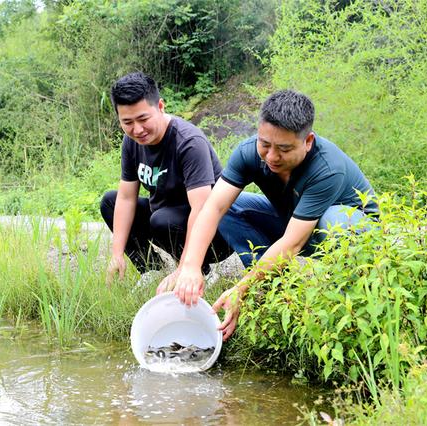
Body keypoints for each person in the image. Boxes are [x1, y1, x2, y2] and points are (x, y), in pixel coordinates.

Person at [167, 89, 378, 340]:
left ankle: (348, 299)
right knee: (231, 206)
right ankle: (269, 286)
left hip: (354, 231)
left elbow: (293, 242)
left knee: (332, 220)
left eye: (284, 149)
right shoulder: (248, 152)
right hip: (296, 221)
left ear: (308, 141)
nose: (271, 156)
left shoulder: (328, 168)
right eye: (265, 144)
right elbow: (213, 207)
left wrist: (240, 288)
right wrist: (190, 266)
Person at [100, 72, 232, 286]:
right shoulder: (132, 141)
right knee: (110, 201)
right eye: (127, 122)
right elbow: (126, 198)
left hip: (216, 232)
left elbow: (201, 209)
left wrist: (185, 268)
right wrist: (117, 254)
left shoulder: (189, 142)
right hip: (167, 220)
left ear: (160, 107)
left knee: (161, 219)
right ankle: (150, 268)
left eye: (143, 119)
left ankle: (201, 271)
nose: (137, 129)